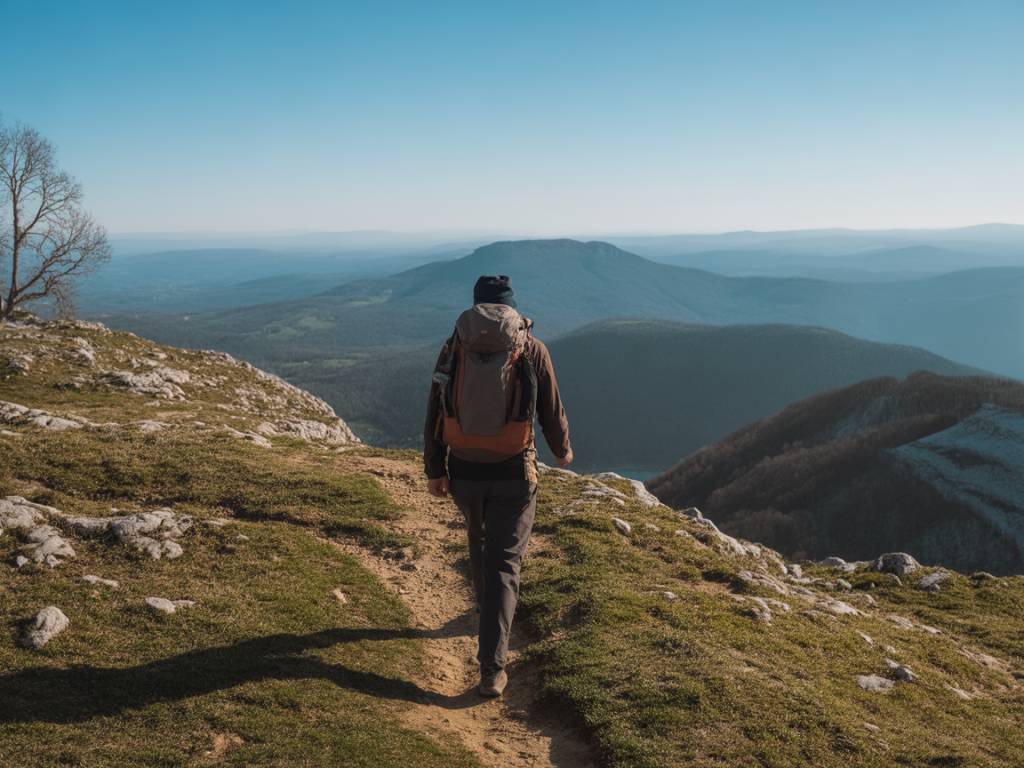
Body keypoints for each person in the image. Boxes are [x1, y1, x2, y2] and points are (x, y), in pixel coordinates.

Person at [424, 275, 572, 697]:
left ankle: (488, 615)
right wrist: (562, 452)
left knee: (480, 546)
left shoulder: (454, 347)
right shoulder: (531, 347)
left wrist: (435, 468)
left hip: (465, 470)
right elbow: (551, 408)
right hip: (513, 471)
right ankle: (492, 667)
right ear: (511, 307)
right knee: (505, 563)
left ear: (475, 306)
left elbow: (435, 408)